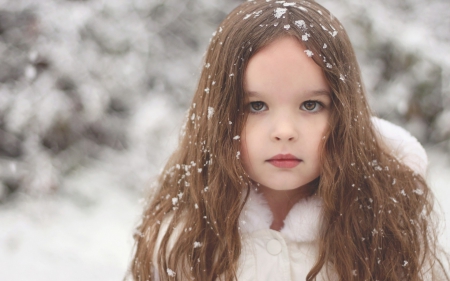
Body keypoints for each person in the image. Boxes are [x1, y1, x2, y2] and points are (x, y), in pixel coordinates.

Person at [128, 0, 449, 280]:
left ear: (343, 114)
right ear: (219, 116)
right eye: (256, 106)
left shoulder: (385, 228)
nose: (284, 130)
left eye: (310, 105)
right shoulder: (181, 236)